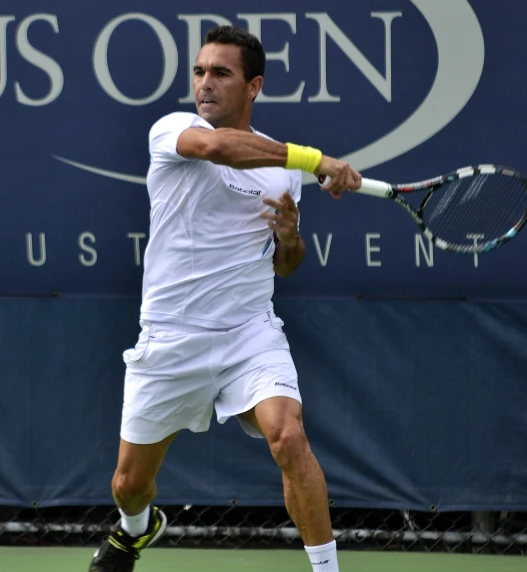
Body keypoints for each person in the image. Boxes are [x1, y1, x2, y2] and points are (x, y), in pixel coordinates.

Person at [89, 25, 362, 572]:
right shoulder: (176, 129)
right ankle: (136, 529)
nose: (205, 83)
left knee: (288, 437)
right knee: (129, 484)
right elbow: (218, 148)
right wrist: (316, 159)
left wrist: (289, 238)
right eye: (199, 71)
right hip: (171, 336)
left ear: (253, 85)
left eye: (221, 73)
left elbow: (286, 264)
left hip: (248, 332)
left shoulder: (285, 170)